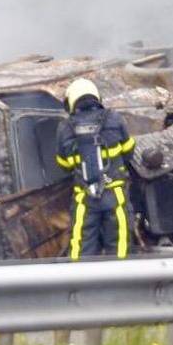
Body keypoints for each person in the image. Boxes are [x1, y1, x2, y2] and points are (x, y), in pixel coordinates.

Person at [55, 78, 135, 259]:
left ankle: (80, 284)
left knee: (81, 247)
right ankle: (122, 283)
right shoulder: (114, 118)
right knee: (120, 244)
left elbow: (64, 165)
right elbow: (129, 151)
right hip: (115, 195)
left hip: (84, 197)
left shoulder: (65, 128)